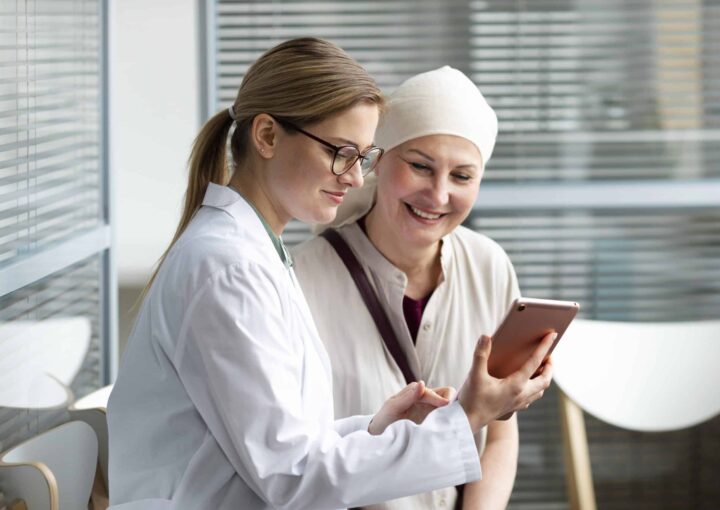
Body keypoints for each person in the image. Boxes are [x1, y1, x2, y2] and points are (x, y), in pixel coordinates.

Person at [107, 39, 554, 510]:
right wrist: (467, 416)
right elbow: (292, 476)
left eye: (362, 157)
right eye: (341, 152)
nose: (356, 178)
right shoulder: (231, 269)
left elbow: (289, 443)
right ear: (267, 136)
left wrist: (377, 426)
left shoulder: (255, 253)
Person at [292, 66, 526, 510]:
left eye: (462, 176)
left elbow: (499, 433)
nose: (438, 196)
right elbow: (297, 459)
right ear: (378, 160)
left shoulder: (489, 265)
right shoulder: (303, 279)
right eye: (420, 166)